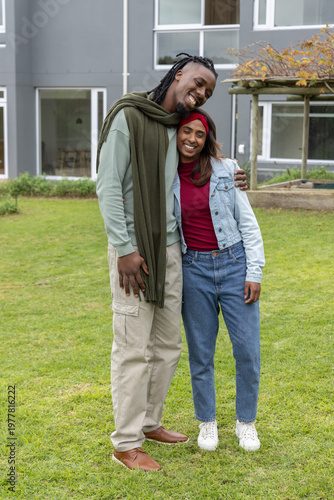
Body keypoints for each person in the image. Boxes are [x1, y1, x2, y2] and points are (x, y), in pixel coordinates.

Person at [96, 54, 247, 471]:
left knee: (167, 345)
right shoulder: (130, 115)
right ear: (178, 73)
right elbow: (108, 187)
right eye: (198, 83)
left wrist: (233, 175)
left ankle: (149, 422)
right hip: (135, 251)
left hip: (172, 251)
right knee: (131, 348)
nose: (199, 94)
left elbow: (201, 168)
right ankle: (125, 443)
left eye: (207, 93)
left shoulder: (175, 128)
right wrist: (124, 249)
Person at [174, 110, 265, 453]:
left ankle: (246, 423)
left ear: (207, 138)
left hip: (233, 264)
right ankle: (207, 422)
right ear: (178, 133)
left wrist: (253, 271)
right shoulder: (166, 173)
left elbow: (248, 222)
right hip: (192, 268)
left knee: (247, 351)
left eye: (199, 134)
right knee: (201, 352)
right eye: (187, 131)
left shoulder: (227, 170)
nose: (192, 139)